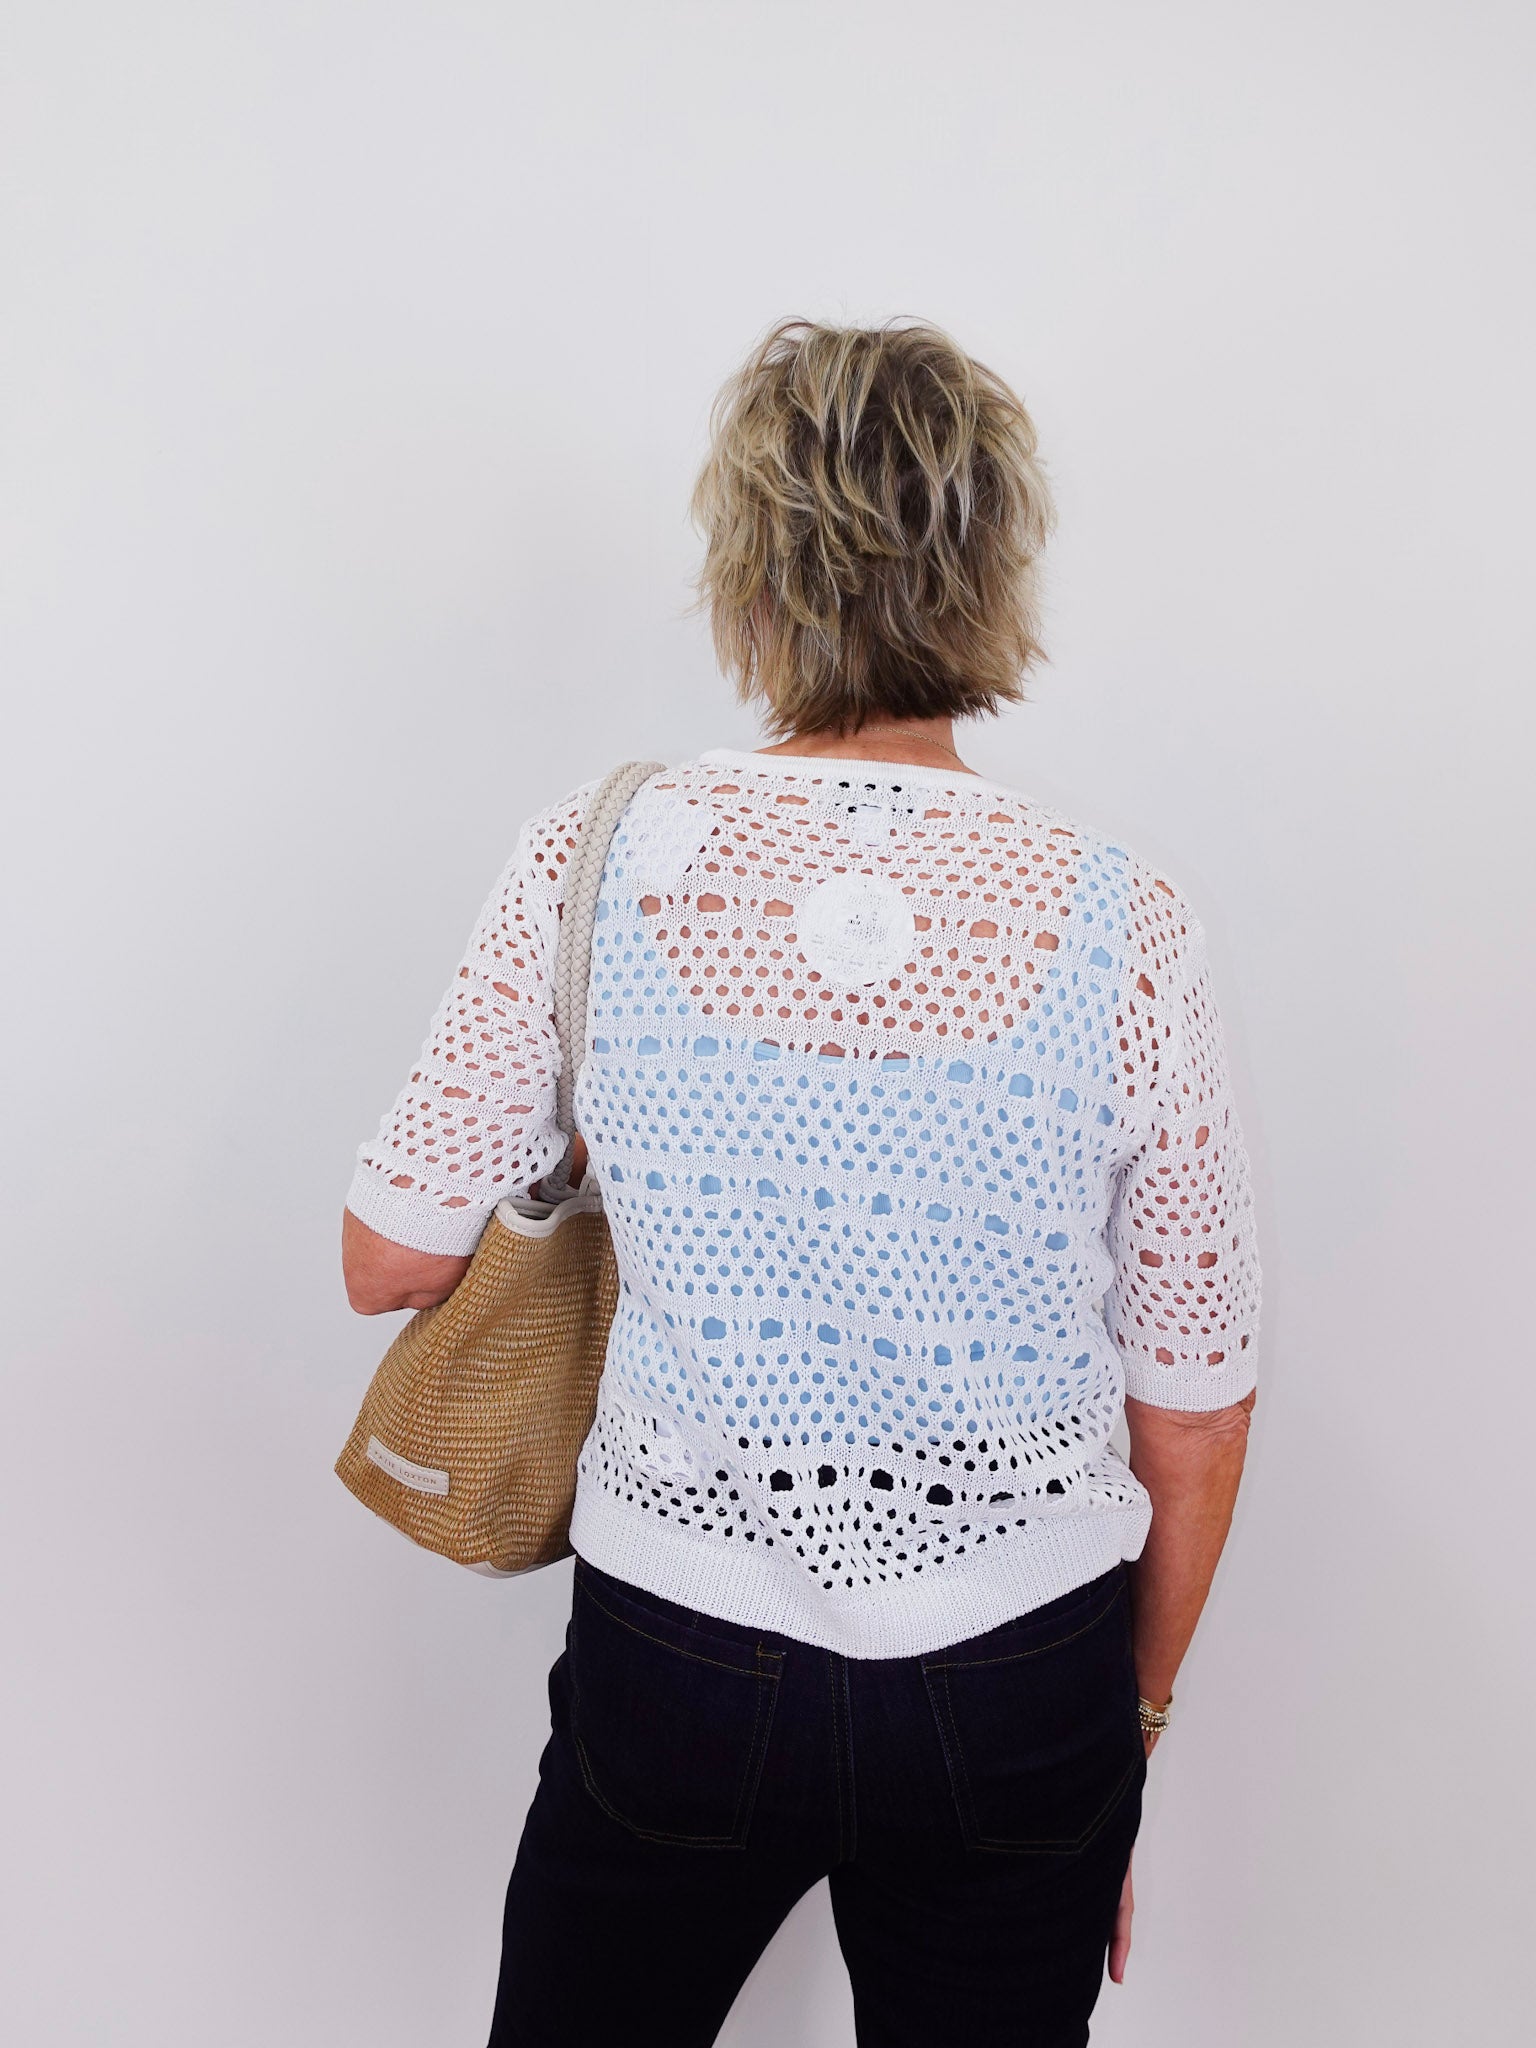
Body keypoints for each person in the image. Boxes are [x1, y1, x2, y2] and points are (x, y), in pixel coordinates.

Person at [342, 318, 1261, 2047]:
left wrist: (635, 1139)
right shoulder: (1128, 916)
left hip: (679, 1652)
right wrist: (1125, 1738)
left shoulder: (594, 855)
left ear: (754, 575)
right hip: (1025, 1673)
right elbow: (1198, 1410)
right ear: (992, 571)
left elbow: (387, 1261)